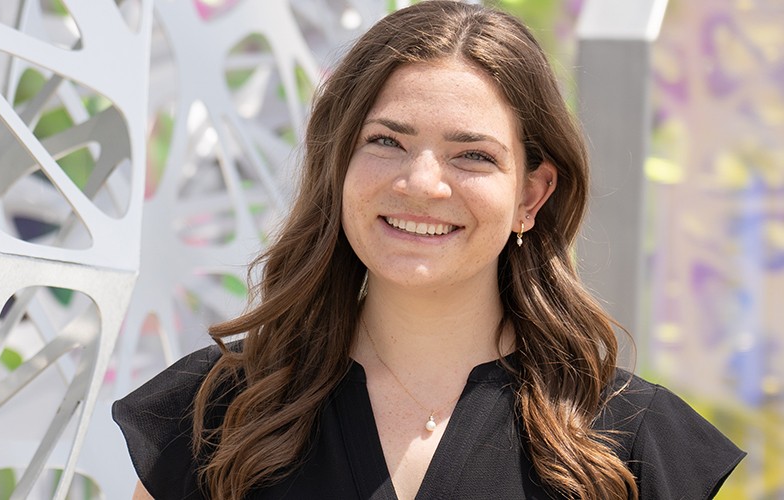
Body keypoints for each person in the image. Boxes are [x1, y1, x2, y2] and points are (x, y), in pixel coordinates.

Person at [113, 1, 745, 499]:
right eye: (387, 141)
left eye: (472, 155)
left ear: (532, 194)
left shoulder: (632, 439)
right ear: (337, 164)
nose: (420, 184)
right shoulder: (218, 410)